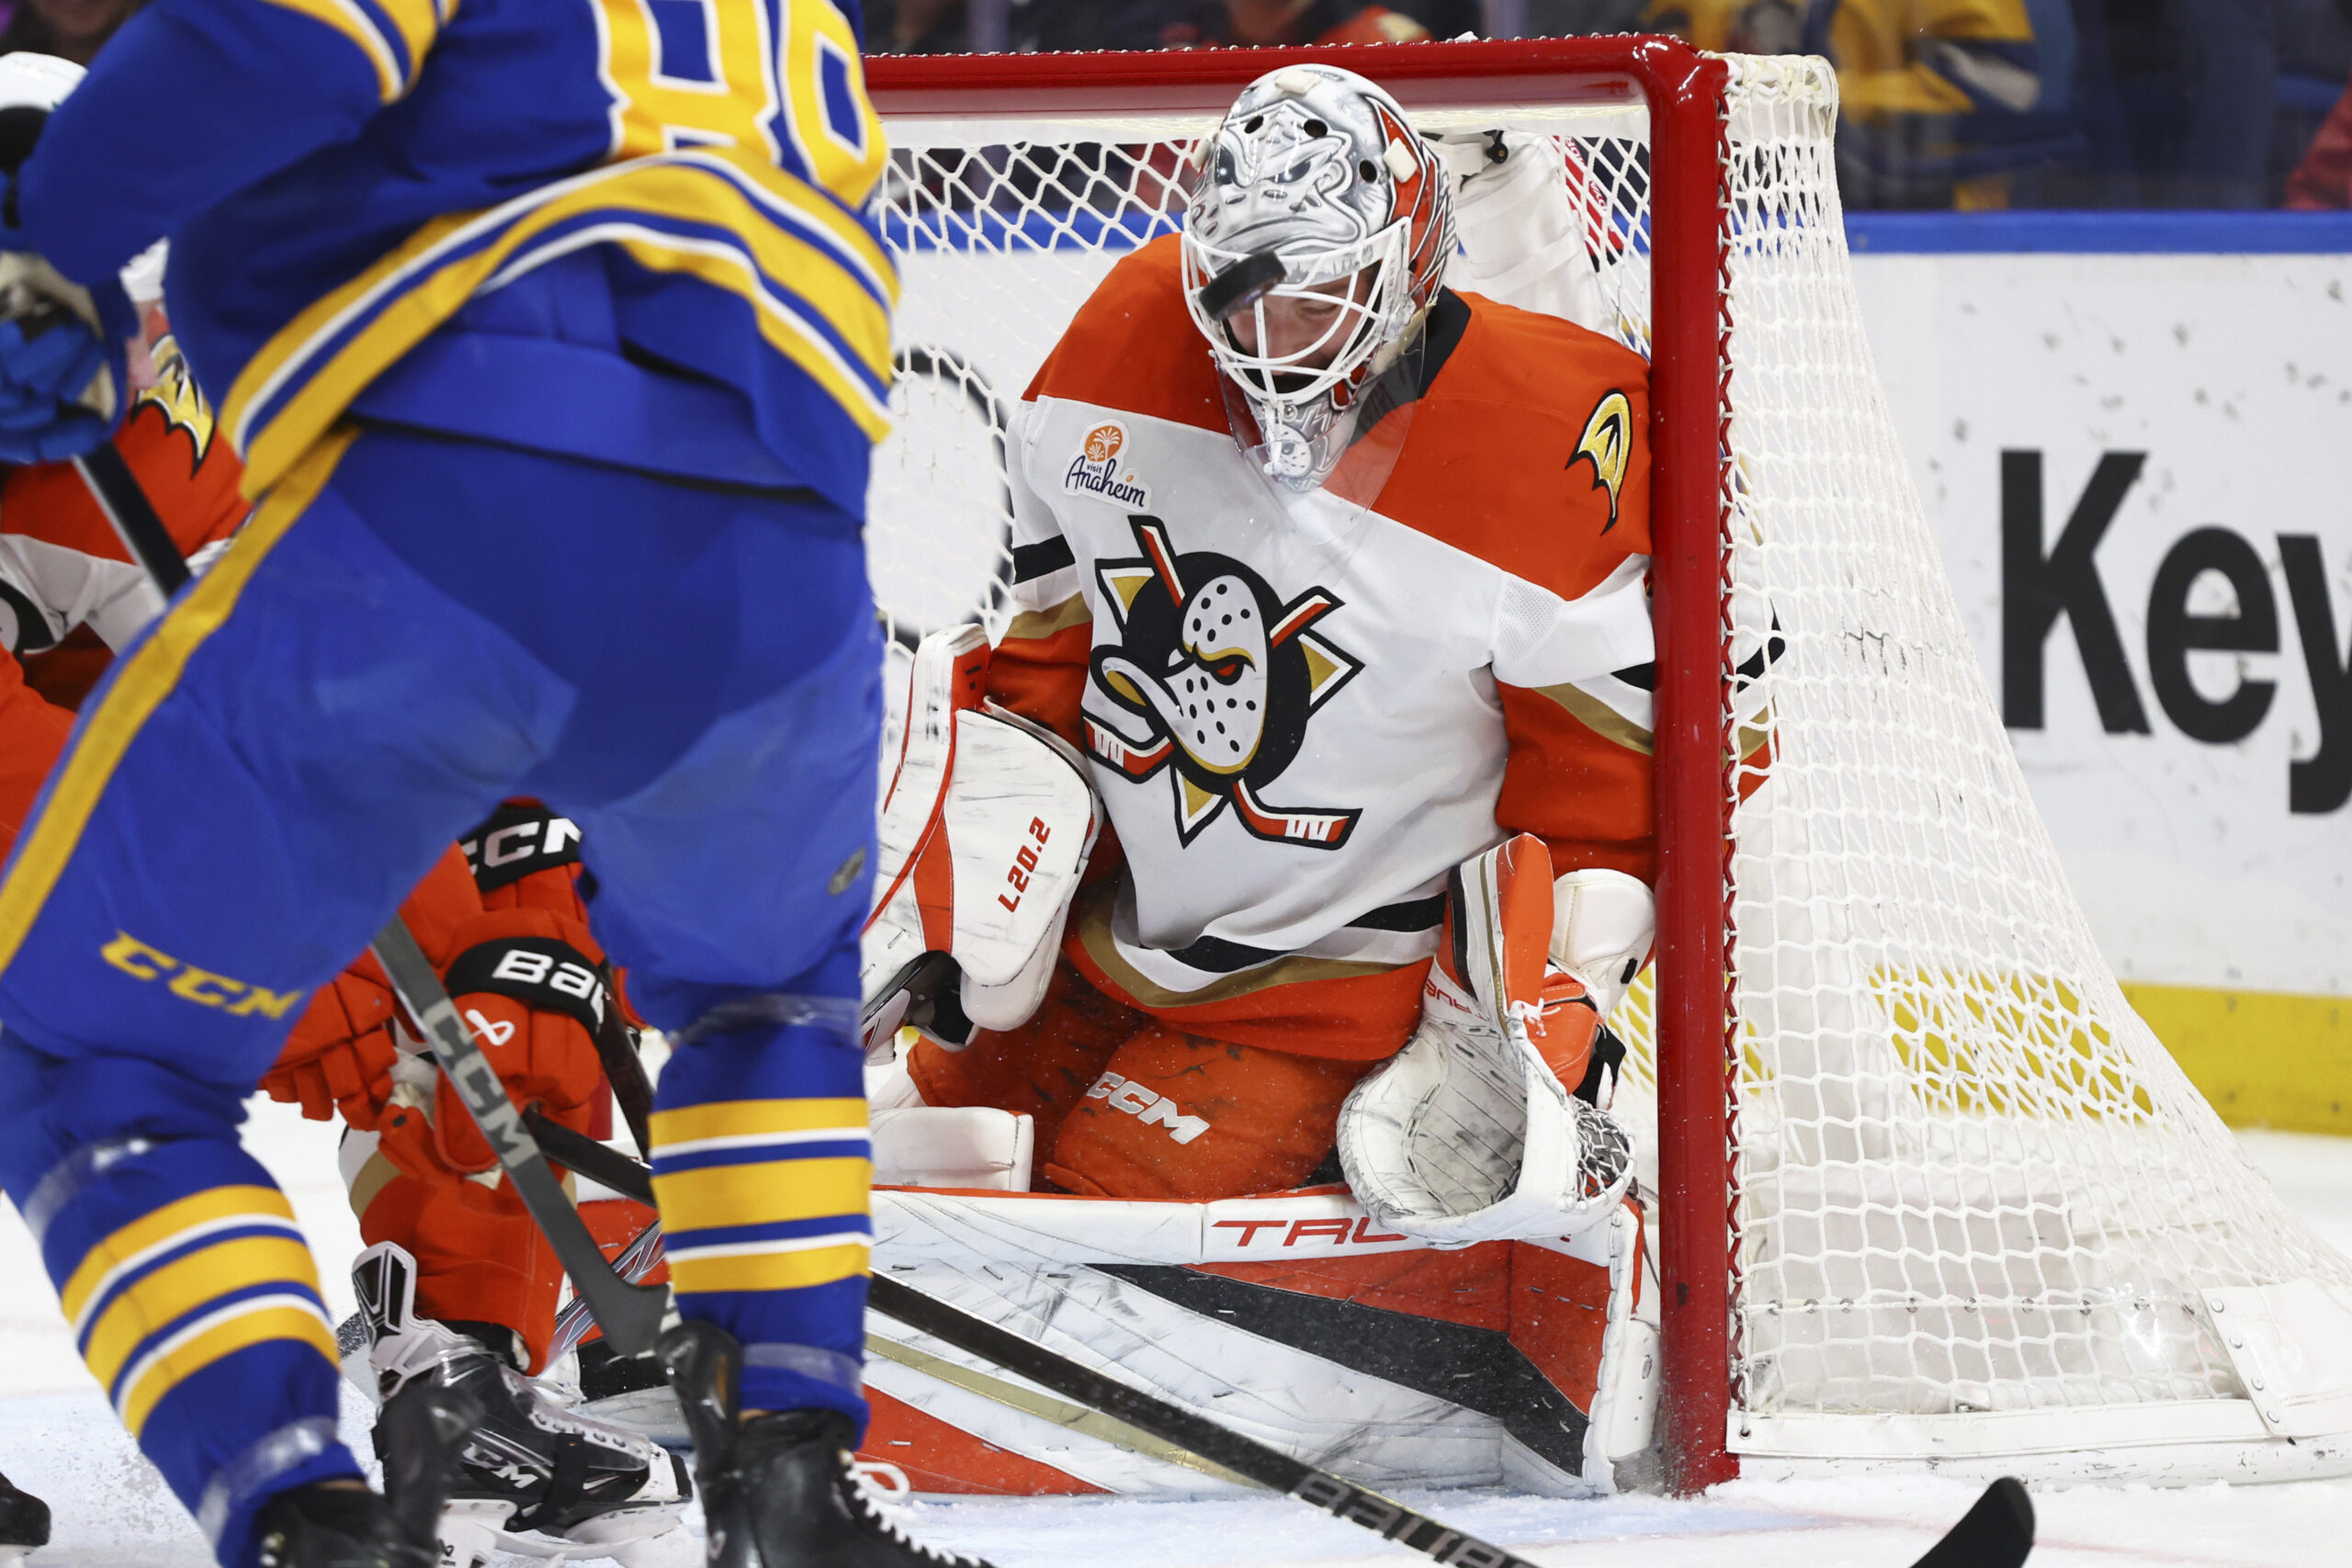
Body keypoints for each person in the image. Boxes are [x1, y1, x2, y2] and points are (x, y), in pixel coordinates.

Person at [0, 10, 975, 1568]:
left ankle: (320, 1498)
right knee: (760, 1005)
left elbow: (270, 42)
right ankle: (790, 1469)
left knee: (94, 1057)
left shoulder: (171, 367)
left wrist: (48, 244)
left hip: (448, 522)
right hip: (778, 580)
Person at [900, 61, 1655, 1210]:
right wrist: (961, 901)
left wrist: (1560, 996)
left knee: (1092, 1237)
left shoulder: (1553, 430)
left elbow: (1606, 784)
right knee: (913, 1182)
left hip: (1331, 991)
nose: (1267, 339)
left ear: (1405, 265)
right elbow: (1045, 652)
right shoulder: (1127, 330)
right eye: (1240, 298)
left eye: (1312, 301)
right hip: (1100, 938)